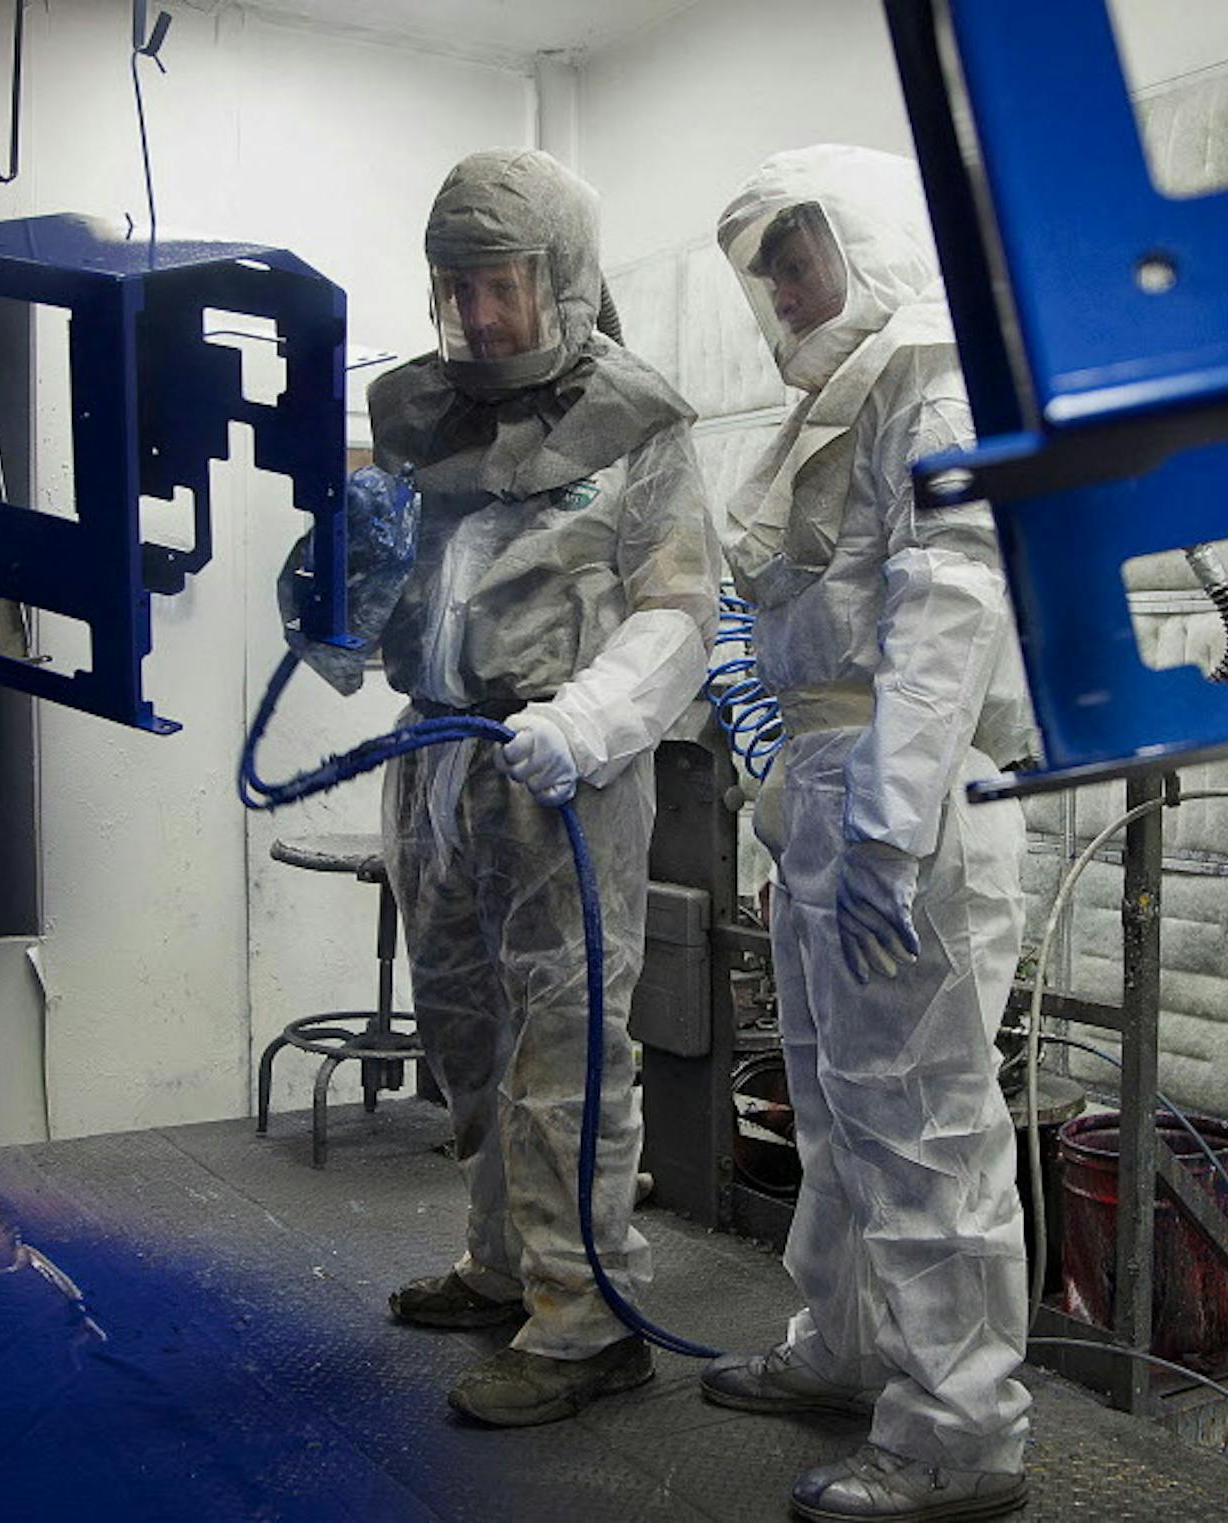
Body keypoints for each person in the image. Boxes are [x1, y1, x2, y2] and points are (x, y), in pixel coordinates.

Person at [699, 145, 1036, 1522]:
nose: (785, 284)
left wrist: (889, 834)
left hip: (910, 793)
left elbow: (952, 600)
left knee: (924, 1120)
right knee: (838, 1102)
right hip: (830, 797)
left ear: (874, 240)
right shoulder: (834, 399)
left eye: (803, 252)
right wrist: (805, 819)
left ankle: (962, 1430)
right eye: (769, 263)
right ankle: (842, 1342)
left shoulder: (930, 382)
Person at [366, 148, 721, 1427]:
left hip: (565, 770)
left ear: (561, 277)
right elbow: (376, 601)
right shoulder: (412, 414)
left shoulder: (639, 421)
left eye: (498, 286)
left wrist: (587, 719)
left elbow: (682, 609)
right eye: (452, 288)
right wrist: (333, 607)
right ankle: (502, 1262)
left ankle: (585, 1319)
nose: (473, 316)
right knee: (467, 1026)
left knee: (567, 1041)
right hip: (435, 758)